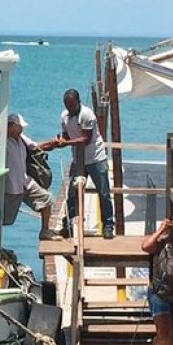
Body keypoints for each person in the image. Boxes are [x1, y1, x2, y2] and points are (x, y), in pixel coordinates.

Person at [56, 88, 115, 239]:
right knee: (72, 194)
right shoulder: (64, 116)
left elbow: (85, 139)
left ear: (78, 102)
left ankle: (108, 226)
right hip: (78, 160)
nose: (69, 108)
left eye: (72, 105)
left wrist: (66, 142)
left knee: (104, 193)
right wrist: (61, 139)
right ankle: (68, 225)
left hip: (95, 158)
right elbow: (66, 133)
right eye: (67, 105)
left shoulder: (87, 114)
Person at [3, 114, 57, 239]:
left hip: (25, 181)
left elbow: (35, 146)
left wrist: (53, 143)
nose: (22, 129)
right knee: (4, 219)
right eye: (19, 126)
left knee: (46, 199)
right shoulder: (2, 140)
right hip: (10, 185)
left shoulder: (21, 138)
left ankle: (44, 231)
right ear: (11, 126)